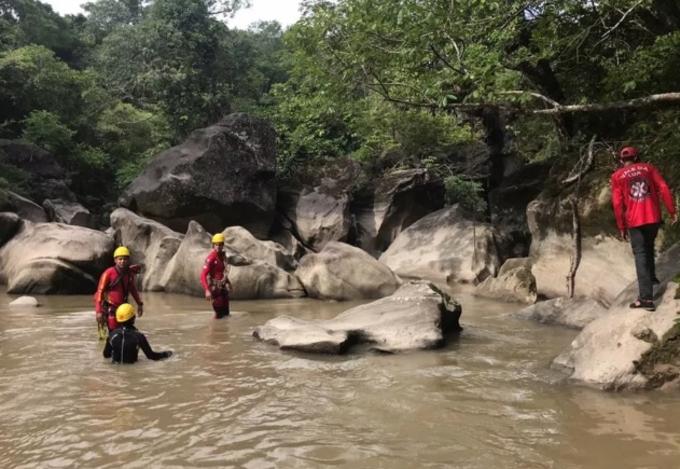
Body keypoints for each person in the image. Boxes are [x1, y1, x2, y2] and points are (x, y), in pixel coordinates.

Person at [610, 146, 677, 311]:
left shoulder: (617, 176)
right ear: (636, 157)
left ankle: (646, 298)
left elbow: (617, 203)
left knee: (640, 254)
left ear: (621, 160)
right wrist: (672, 211)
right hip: (653, 217)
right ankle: (652, 279)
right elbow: (663, 187)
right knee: (649, 246)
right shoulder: (648, 168)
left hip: (635, 220)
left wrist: (621, 226)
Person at [94, 246, 144, 337]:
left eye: (125, 259)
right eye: (120, 259)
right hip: (110, 309)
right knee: (113, 335)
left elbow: (133, 289)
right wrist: (99, 312)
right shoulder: (108, 273)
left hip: (123, 309)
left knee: (126, 334)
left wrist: (139, 304)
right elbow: (100, 292)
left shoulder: (129, 273)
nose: (122, 261)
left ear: (128, 260)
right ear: (115, 260)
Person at [103, 303, 172, 363]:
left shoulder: (111, 335)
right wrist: (166, 354)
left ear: (118, 319)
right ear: (133, 318)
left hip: (115, 370)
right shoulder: (139, 336)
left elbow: (106, 355)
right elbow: (151, 356)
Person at [200, 233, 233, 318]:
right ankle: (212, 326)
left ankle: (223, 327)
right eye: (216, 244)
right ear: (213, 245)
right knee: (218, 315)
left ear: (223, 245)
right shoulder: (211, 258)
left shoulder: (223, 257)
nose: (218, 246)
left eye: (220, 244)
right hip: (215, 289)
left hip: (223, 288)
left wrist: (228, 282)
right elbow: (203, 275)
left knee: (226, 314)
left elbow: (222, 272)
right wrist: (207, 290)